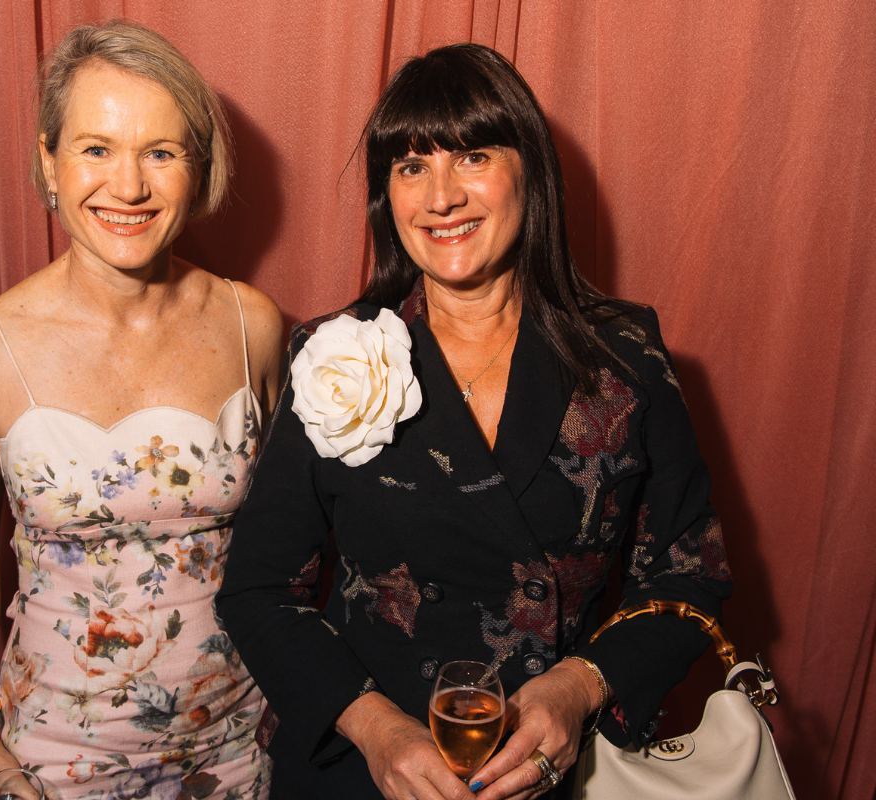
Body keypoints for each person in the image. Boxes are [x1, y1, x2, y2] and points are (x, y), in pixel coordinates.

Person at [216, 43, 732, 800]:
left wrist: (581, 684)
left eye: (474, 157)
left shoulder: (626, 358)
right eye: (411, 166)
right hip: (362, 771)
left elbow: (691, 577)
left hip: (554, 773)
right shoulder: (333, 355)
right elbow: (257, 590)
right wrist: (375, 729)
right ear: (386, 196)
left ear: (530, 172)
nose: (442, 197)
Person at [0, 21, 281, 800]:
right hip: (52, 761)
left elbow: (287, 542)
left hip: (235, 748)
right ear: (48, 162)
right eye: (96, 149)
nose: (127, 188)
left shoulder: (251, 324)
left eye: (161, 153)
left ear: (198, 169)